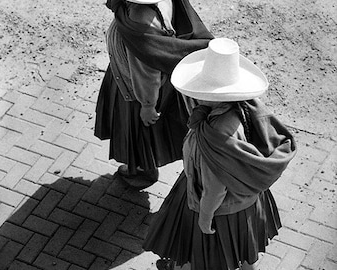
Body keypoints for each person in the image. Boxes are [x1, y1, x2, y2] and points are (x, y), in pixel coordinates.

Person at [143, 38, 297, 270]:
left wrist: (205, 218)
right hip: (246, 204)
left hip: (217, 209)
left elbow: (214, 188)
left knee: (201, 257)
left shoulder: (215, 134)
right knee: (244, 255)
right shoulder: (244, 107)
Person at [94, 0, 213, 189]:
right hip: (146, 83)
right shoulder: (158, 3)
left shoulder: (140, 20)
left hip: (137, 90)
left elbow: (146, 72)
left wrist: (147, 105)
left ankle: (142, 170)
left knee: (140, 129)